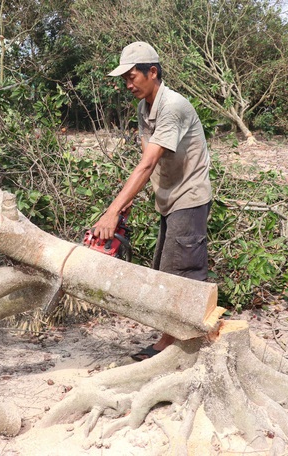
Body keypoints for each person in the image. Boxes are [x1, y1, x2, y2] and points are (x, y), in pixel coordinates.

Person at [92, 41, 213, 361]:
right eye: (125, 80)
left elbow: (146, 164)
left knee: (183, 270)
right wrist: (128, 202)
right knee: (165, 267)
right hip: (169, 195)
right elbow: (151, 159)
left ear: (152, 72)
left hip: (189, 194)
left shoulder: (172, 106)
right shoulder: (145, 107)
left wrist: (112, 211)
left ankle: (182, 346)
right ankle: (173, 339)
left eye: (132, 77)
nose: (128, 85)